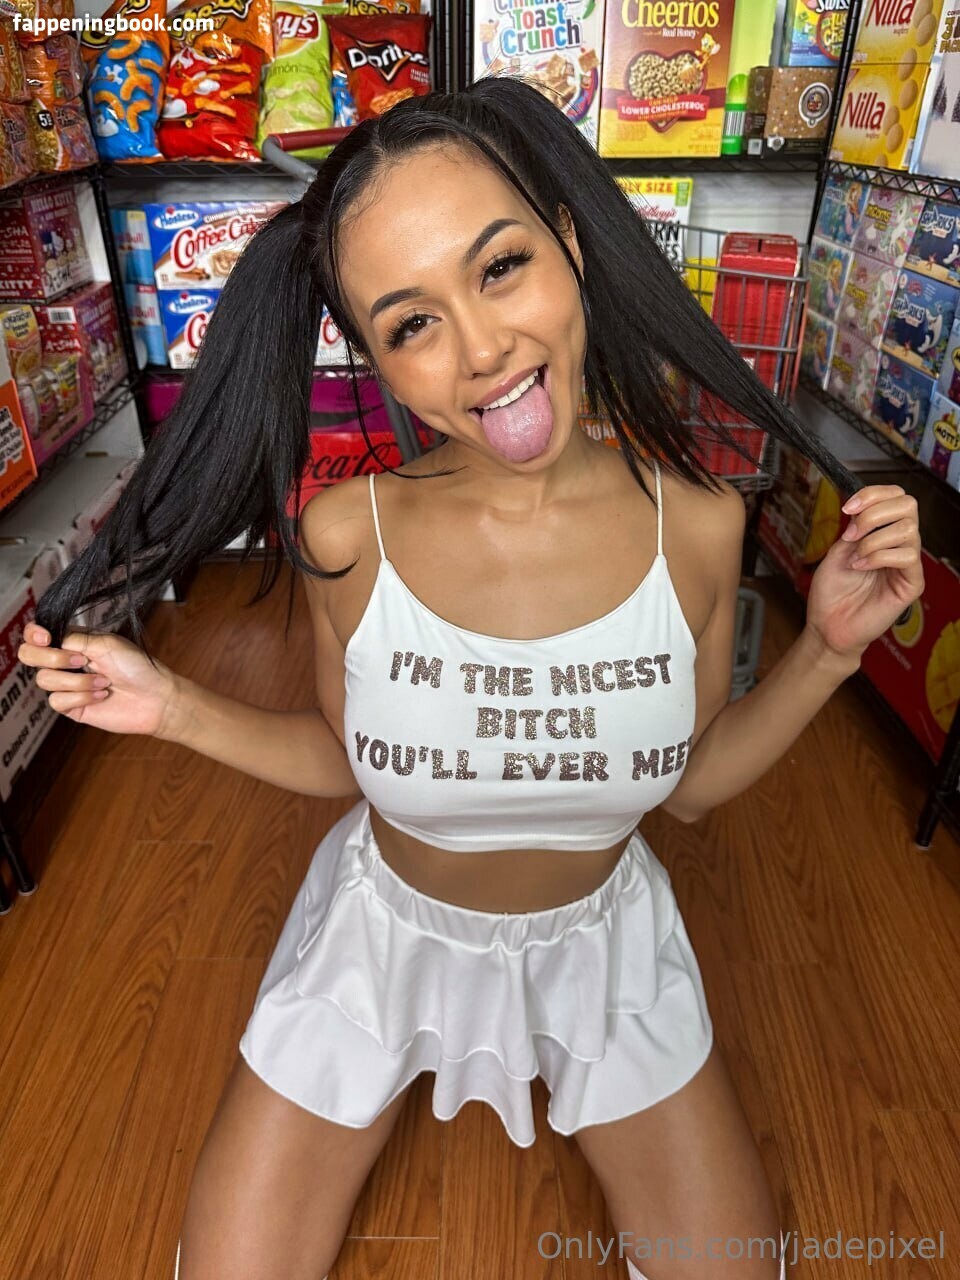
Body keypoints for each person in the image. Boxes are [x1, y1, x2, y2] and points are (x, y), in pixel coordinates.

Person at [19, 76, 923, 1280]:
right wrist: (173, 705)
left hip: (604, 948)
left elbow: (693, 785)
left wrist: (829, 649)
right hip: (380, 939)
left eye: (500, 266)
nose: (482, 349)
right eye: (411, 324)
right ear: (379, 363)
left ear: (572, 247)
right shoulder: (349, 534)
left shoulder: (702, 525)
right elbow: (351, 760)